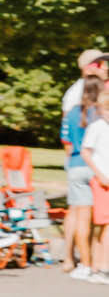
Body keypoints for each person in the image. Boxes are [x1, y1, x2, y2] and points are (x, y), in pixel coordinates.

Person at [59, 75, 99, 277]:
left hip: (75, 165)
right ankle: (94, 262)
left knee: (78, 216)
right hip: (96, 166)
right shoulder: (100, 114)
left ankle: (79, 261)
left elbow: (66, 141)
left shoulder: (72, 113)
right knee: (98, 220)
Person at [78, 84, 109, 280]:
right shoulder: (97, 127)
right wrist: (99, 175)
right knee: (103, 225)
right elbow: (85, 152)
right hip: (102, 182)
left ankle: (100, 265)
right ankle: (101, 267)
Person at [61, 48, 107, 118]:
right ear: (87, 70)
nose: (105, 68)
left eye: (105, 63)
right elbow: (68, 120)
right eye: (99, 64)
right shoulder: (76, 92)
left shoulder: (102, 86)